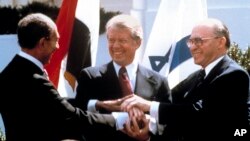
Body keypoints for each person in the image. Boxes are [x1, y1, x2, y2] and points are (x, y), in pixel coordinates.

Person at [120, 18, 250, 141]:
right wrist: (145, 127)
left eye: (199, 41)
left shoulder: (234, 75)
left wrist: (148, 106)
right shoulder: (196, 77)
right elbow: (171, 103)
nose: (192, 47)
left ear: (220, 42)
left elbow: (198, 115)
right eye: (191, 41)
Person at [0, 13, 118, 141]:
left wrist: (96, 105)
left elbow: (50, 103)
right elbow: (71, 117)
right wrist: (118, 120)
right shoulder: (35, 81)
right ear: (43, 43)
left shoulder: (11, 71)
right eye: (56, 40)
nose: (57, 47)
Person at [74, 14, 171, 141]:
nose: (115, 46)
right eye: (111, 40)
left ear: (137, 43)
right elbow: (78, 114)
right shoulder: (90, 77)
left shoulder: (159, 81)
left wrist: (147, 136)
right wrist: (100, 105)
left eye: (122, 41)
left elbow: (168, 124)